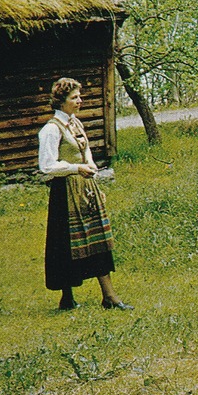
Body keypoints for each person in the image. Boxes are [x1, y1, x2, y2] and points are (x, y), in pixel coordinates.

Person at [39, 77, 131, 311]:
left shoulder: (75, 124)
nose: (80, 101)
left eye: (80, 96)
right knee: (65, 244)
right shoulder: (51, 129)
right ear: (61, 101)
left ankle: (109, 296)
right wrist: (75, 169)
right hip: (65, 190)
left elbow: (85, 152)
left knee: (97, 238)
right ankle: (66, 297)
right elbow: (47, 165)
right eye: (74, 98)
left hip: (86, 186)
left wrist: (90, 169)